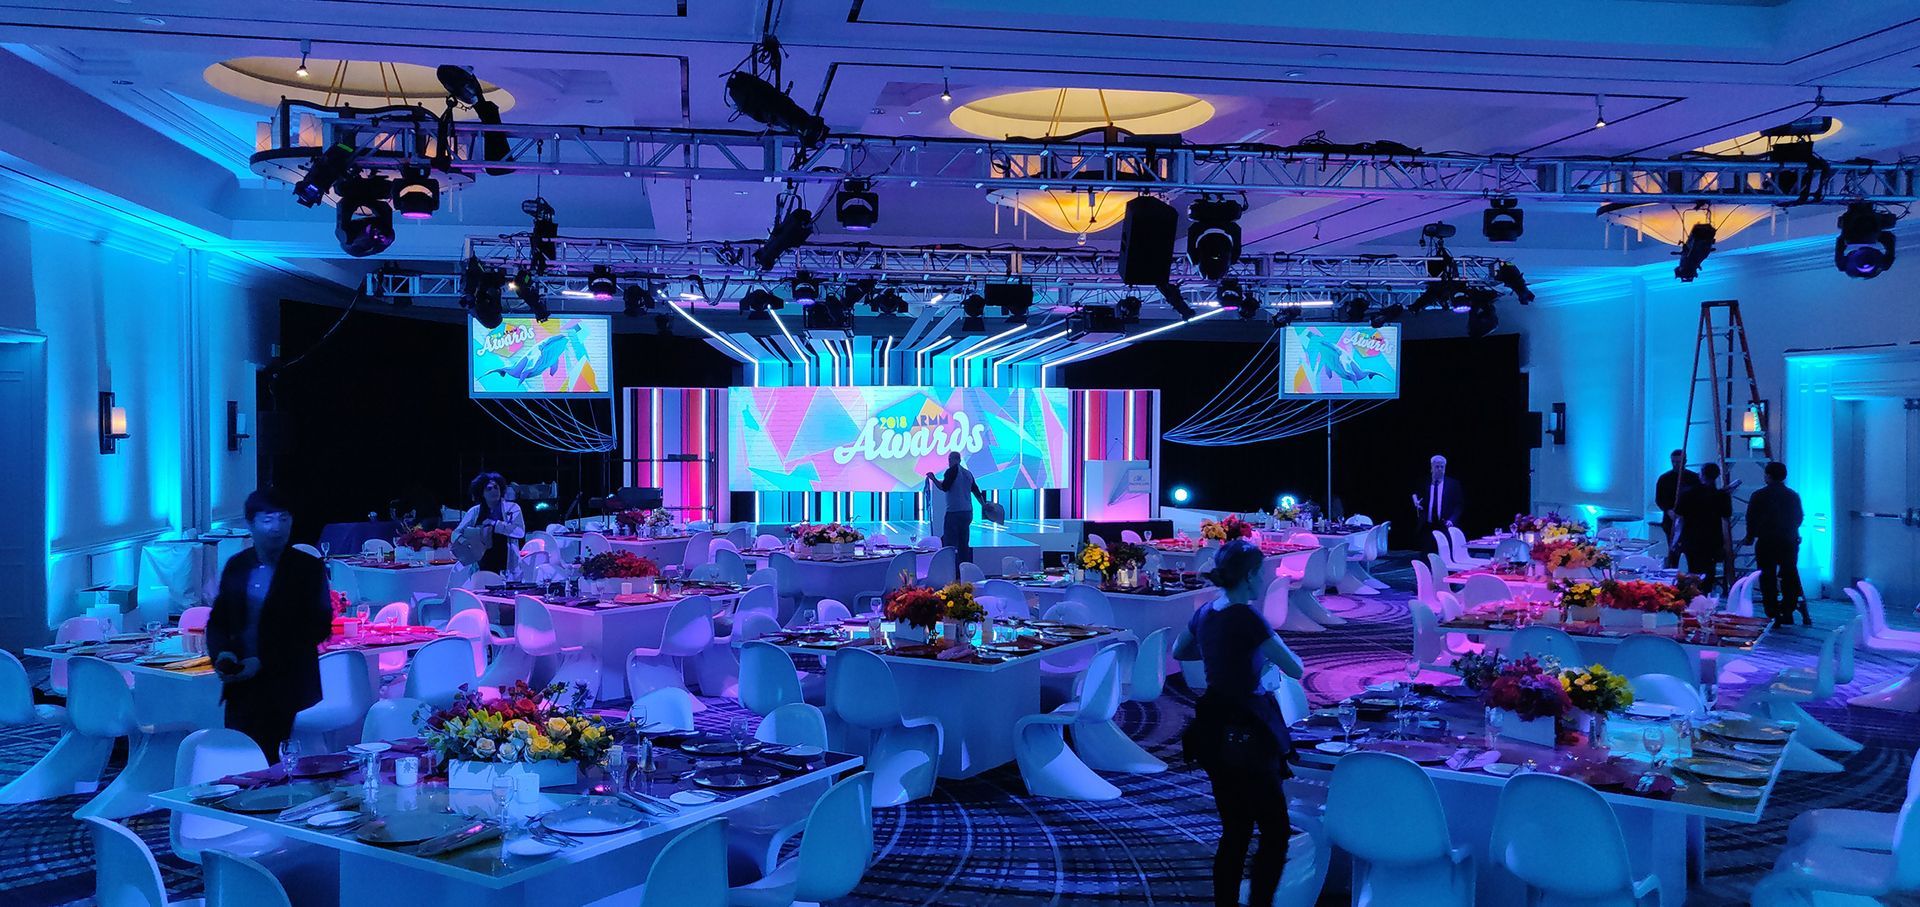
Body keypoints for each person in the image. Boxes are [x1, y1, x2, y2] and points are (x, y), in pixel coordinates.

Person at [1172, 538, 1305, 907]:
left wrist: (1222, 653)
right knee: (1275, 831)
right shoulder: (1246, 617)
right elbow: (1296, 667)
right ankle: (1260, 902)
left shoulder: (1206, 613)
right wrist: (1258, 658)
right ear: (1248, 577)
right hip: (1246, 727)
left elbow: (1179, 651)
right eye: (1261, 573)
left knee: (1235, 830)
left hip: (1212, 726)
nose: (1263, 580)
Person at [207, 489, 332, 759]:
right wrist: (222, 653)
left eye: (283, 519)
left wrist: (262, 661)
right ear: (250, 524)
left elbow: (318, 626)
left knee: (277, 763)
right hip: (241, 686)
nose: (277, 528)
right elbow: (219, 619)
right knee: (241, 759)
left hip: (288, 684)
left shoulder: (307, 568)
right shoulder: (237, 566)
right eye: (267, 520)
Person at [1745, 461, 1808, 628]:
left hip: (1766, 540)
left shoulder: (1758, 495)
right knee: (1789, 574)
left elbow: (1751, 518)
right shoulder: (1793, 495)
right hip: (1788, 540)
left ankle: (1772, 612)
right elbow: (1799, 517)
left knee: (1767, 577)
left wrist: (1750, 536)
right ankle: (1788, 609)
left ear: (1768, 475)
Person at [1676, 462, 1732, 591]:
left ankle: (1692, 598)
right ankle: (1705, 599)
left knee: (1693, 570)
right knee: (1709, 571)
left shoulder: (1689, 493)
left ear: (1702, 474)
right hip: (1712, 538)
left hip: (1692, 538)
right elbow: (1726, 514)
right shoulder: (1721, 495)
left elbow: (1680, 514)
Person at [456, 471, 526, 574]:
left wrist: (495, 524)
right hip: (481, 567)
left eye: (496, 487)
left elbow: (520, 532)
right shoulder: (475, 511)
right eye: (489, 489)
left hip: (507, 567)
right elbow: (456, 534)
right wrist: (466, 542)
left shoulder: (512, 508)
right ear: (482, 493)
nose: (493, 491)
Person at [925, 451, 987, 565]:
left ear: (956, 460)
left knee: (950, 543)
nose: (948, 462)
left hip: (954, 512)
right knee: (964, 543)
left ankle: (950, 568)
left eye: (950, 459)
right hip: (967, 512)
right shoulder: (968, 473)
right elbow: (976, 491)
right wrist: (984, 505)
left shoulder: (951, 471)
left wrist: (933, 478)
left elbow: (944, 487)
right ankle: (964, 568)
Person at [1654, 449, 1700, 569]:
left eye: (1678, 462)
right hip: (1671, 521)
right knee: (1673, 552)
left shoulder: (1693, 478)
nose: (1675, 464)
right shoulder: (1664, 479)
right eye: (1673, 462)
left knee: (1692, 554)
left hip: (1689, 522)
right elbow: (1659, 499)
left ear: (1685, 461)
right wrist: (1668, 510)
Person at [1412, 454, 1465, 550]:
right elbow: (1415, 493)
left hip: (1445, 525)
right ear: (1431, 467)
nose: (1440, 469)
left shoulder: (1453, 484)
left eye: (1442, 467)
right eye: (1437, 466)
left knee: (1444, 552)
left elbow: (1459, 505)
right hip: (1427, 526)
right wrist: (1416, 501)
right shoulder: (1424, 482)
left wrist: (1452, 520)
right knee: (1427, 554)